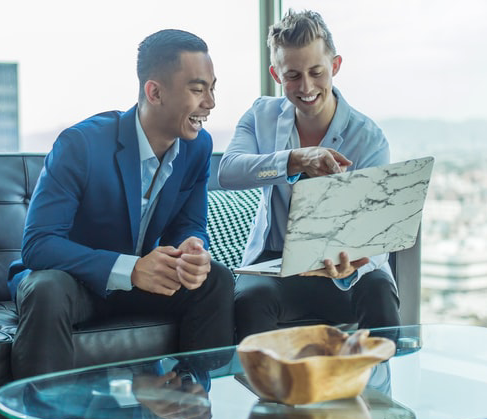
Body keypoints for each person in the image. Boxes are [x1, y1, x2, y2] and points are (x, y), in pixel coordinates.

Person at [8, 29, 235, 379]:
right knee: (46, 288)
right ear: (155, 92)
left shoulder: (198, 147)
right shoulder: (80, 144)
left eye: (212, 87)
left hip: (141, 283)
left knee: (215, 279)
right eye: (197, 88)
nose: (211, 102)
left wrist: (193, 247)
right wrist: (130, 269)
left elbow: (189, 224)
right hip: (76, 283)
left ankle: (188, 397)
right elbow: (38, 245)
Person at [218, 9, 400, 342]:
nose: (306, 87)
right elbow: (229, 172)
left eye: (316, 71)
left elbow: (378, 233)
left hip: (344, 266)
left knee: (379, 290)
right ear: (276, 74)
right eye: (293, 75)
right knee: (250, 299)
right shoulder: (260, 116)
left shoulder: (368, 138)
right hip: (276, 264)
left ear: (335, 65)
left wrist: (354, 264)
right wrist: (295, 160)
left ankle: (380, 392)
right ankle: (268, 394)